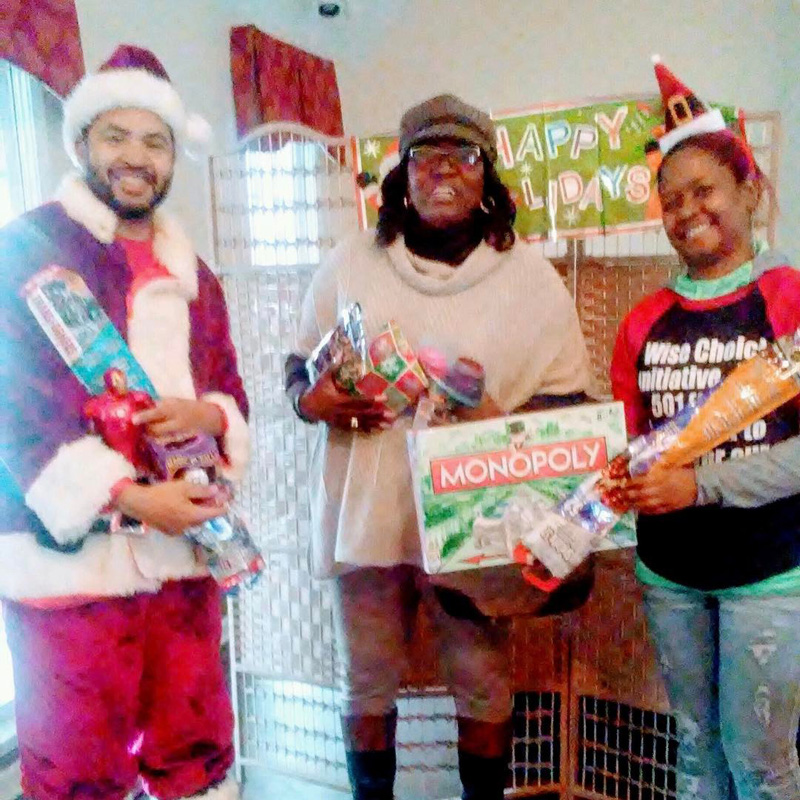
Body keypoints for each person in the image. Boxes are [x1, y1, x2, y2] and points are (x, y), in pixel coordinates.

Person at [285, 94, 593, 800]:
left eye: (464, 156)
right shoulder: (350, 262)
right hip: (370, 506)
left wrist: (493, 418)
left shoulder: (530, 278)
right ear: (402, 173)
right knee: (367, 675)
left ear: (488, 175)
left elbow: (568, 405)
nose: (444, 171)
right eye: (426, 156)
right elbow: (300, 365)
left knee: (480, 676)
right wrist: (311, 401)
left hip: (477, 514)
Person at [0, 45, 250, 800]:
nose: (135, 158)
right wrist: (133, 498)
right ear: (82, 143)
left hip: (183, 556)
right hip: (68, 559)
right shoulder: (27, 250)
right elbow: (16, 409)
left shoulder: (196, 275)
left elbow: (229, 390)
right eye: (116, 136)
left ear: (174, 157)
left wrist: (210, 415)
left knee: (194, 752)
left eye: (155, 142)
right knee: (79, 768)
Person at [608, 59, 800, 800]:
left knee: (761, 763)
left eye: (704, 190)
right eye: (671, 200)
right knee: (694, 754)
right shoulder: (643, 321)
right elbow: (629, 447)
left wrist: (701, 486)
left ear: (749, 190)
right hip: (670, 577)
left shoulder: (788, 300)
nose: (687, 211)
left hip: (769, 573)